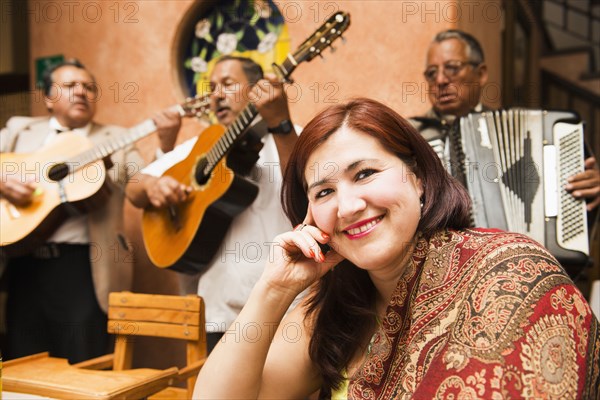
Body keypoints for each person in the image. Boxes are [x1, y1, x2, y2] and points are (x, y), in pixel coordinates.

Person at [192, 98, 600, 399]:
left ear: (419, 177)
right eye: (325, 192)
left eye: (365, 173)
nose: (348, 206)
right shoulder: (331, 307)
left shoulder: (505, 271)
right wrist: (274, 289)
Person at [0, 59, 181, 363]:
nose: (81, 92)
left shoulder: (116, 139)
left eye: (89, 87)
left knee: (84, 365)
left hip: (85, 269)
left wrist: (166, 144)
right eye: (70, 86)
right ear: (47, 97)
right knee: (21, 365)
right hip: (21, 264)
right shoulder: (20, 129)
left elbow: (143, 183)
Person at [125, 55, 298, 352]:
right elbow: (133, 187)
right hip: (219, 312)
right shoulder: (200, 146)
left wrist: (281, 124)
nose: (217, 94)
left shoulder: (294, 137)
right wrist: (153, 185)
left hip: (286, 314)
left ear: (256, 89)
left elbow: (306, 188)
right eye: (212, 87)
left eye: (228, 84)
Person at [410, 29, 600, 210]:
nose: (441, 80)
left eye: (452, 68)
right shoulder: (410, 135)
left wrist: (588, 186)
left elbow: (561, 194)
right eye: (431, 73)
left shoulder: (517, 129)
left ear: (481, 74)